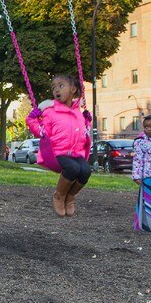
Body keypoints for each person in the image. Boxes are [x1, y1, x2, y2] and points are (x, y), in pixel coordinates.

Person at [25, 74, 92, 217]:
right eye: (53, 87)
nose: (56, 90)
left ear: (73, 89)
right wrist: (32, 118)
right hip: (56, 153)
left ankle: (70, 197)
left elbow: (83, 133)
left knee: (85, 170)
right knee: (73, 168)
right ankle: (59, 196)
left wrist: (87, 122)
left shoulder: (78, 113)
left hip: (75, 153)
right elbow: (40, 130)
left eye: (61, 86)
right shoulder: (50, 111)